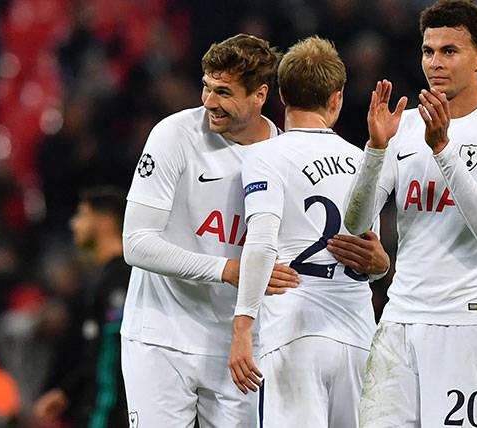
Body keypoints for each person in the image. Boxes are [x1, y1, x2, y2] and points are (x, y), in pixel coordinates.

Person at [121, 33, 386, 427]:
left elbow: (321, 250)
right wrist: (227, 269)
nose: (208, 102)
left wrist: (378, 263)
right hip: (161, 337)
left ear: (260, 95)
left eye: (224, 93)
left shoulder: (283, 155)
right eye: (206, 88)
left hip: (243, 348)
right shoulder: (173, 135)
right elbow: (136, 244)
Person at [344, 1, 477, 426]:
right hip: (399, 320)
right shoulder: (404, 126)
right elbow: (355, 223)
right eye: (428, 51)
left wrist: (443, 150)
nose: (435, 62)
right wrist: (375, 149)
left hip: (468, 324)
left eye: (450, 51)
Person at [228, 36, 389, 428]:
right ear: (336, 99)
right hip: (357, 336)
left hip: (293, 334)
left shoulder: (265, 156)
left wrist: (242, 326)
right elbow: (371, 253)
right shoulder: (364, 159)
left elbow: (263, 241)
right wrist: (382, 267)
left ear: (281, 96)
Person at [33, 187, 130, 427]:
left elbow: (112, 359)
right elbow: (96, 354)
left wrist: (100, 419)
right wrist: (67, 391)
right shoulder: (103, 280)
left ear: (105, 222)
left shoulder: (120, 281)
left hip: (109, 416)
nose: (74, 224)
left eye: (81, 215)